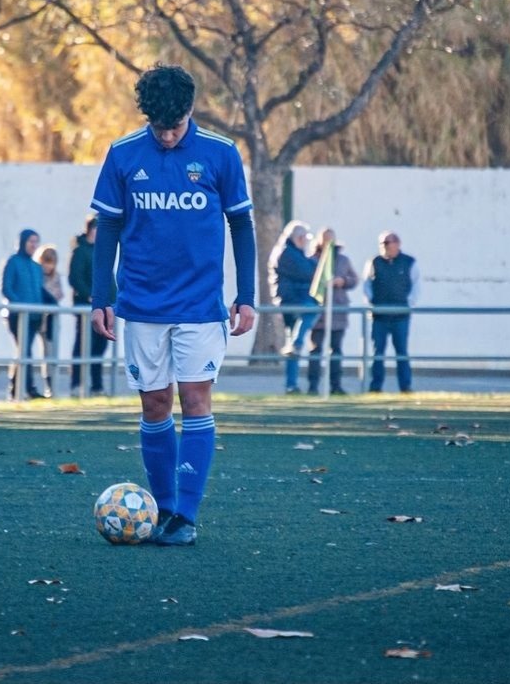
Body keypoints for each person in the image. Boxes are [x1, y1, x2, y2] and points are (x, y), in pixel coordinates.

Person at [90, 64, 256, 546]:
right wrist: (102, 297)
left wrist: (246, 295)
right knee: (155, 403)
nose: (166, 137)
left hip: (201, 306)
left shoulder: (222, 154)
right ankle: (160, 508)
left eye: (175, 127)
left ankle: (185, 515)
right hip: (140, 305)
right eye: (159, 128)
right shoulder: (123, 154)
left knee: (196, 400)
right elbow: (109, 229)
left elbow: (241, 226)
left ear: (190, 112)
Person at [362, 230, 420, 393]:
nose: (385, 247)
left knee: (401, 351)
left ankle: (405, 386)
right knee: (377, 352)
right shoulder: (374, 262)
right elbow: (366, 284)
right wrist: (373, 302)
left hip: (400, 316)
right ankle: (375, 386)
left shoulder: (409, 262)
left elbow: (416, 285)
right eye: (383, 243)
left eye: (388, 243)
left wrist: (407, 303)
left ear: (397, 244)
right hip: (379, 316)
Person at [267, 220, 320, 394]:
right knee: (312, 310)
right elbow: (308, 272)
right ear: (298, 237)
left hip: (296, 299)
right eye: (305, 237)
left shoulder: (294, 252)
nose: (307, 241)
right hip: (292, 300)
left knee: (293, 349)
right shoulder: (287, 253)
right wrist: (315, 266)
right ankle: (297, 343)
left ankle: (291, 385)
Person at [306, 228, 358, 396]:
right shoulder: (312, 260)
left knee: (336, 350)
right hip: (318, 312)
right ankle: (313, 386)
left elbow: (354, 279)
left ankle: (336, 385)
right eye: (324, 239)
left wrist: (342, 281)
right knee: (315, 350)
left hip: (338, 311)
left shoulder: (343, 260)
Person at [2, 229, 48, 400]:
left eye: (36, 242)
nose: (33, 245)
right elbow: (6, 288)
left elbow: (40, 290)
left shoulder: (36, 267)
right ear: (22, 242)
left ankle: (16, 388)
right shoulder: (13, 262)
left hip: (35, 317)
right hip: (17, 316)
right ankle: (28, 388)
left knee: (24, 351)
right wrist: (20, 306)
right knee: (25, 351)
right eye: (30, 241)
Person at [68, 215, 112, 396]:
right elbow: (76, 278)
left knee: (100, 347)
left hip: (104, 307)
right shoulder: (80, 252)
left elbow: (109, 279)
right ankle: (77, 384)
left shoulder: (103, 251)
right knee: (83, 345)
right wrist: (90, 296)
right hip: (86, 308)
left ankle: (97, 386)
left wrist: (113, 299)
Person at [35, 243, 65, 397]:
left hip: (51, 320)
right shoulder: (36, 275)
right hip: (38, 317)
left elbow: (60, 294)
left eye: (51, 263)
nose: (48, 266)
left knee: (50, 352)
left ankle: (51, 387)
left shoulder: (56, 277)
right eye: (46, 262)